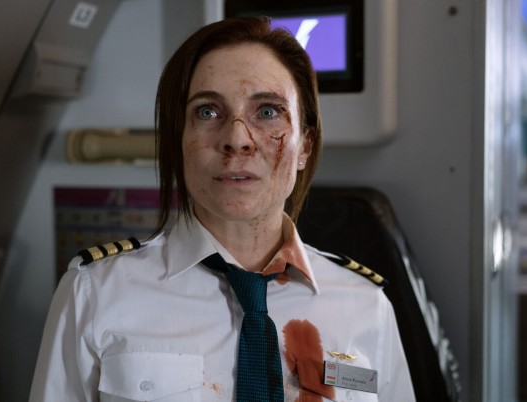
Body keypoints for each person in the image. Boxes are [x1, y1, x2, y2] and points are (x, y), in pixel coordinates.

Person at [29, 16, 415, 402]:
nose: (236, 139)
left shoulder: (366, 306)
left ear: (305, 146)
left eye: (268, 111)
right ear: (179, 141)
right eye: (207, 112)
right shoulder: (93, 294)